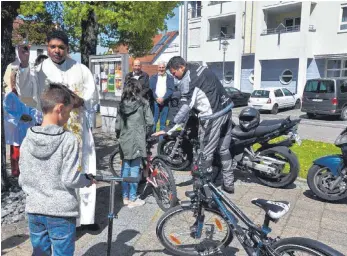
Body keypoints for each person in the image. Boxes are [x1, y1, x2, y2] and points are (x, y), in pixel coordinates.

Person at [16, 30, 99, 229]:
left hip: (77, 126)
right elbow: (26, 93)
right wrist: (25, 64)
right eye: (52, 46)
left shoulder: (80, 69)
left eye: (61, 47)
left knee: (84, 167)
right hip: (51, 128)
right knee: (58, 171)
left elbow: (92, 96)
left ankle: (86, 218)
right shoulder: (39, 69)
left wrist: (78, 100)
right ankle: (66, 219)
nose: (57, 51)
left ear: (67, 49)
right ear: (47, 47)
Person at [18, 83, 95, 256]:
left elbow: (22, 179)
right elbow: (70, 179)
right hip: (60, 212)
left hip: (34, 210)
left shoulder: (27, 139)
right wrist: (87, 180)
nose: (68, 117)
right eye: (68, 112)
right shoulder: (67, 140)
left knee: (39, 253)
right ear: (59, 109)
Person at [153, 56, 236, 193]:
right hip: (227, 110)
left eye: (174, 73)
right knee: (223, 150)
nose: (174, 77)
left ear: (181, 67)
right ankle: (228, 183)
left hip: (212, 116)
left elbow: (185, 106)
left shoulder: (189, 80)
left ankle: (205, 191)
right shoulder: (200, 67)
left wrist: (168, 128)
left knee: (204, 155)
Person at [115, 79, 154, 208]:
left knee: (125, 167)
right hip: (138, 139)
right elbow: (150, 122)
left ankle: (125, 197)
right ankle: (132, 198)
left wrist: (119, 137)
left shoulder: (120, 105)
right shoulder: (143, 103)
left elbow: (118, 125)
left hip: (124, 138)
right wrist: (146, 135)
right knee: (135, 169)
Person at [3, 70, 42, 177]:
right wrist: (20, 117)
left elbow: (34, 110)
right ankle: (17, 173)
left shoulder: (28, 96)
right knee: (17, 152)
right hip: (17, 129)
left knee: (29, 152)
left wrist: (32, 117)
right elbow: (7, 112)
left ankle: (28, 174)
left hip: (28, 128)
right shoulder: (10, 96)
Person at [149, 61, 174, 137]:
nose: (161, 69)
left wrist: (163, 99)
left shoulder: (170, 78)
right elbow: (151, 89)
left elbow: (170, 90)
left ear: (165, 68)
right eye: (160, 67)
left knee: (163, 122)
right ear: (157, 68)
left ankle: (161, 139)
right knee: (154, 121)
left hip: (165, 102)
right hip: (155, 102)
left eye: (163, 67)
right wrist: (157, 98)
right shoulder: (153, 77)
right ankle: (151, 138)